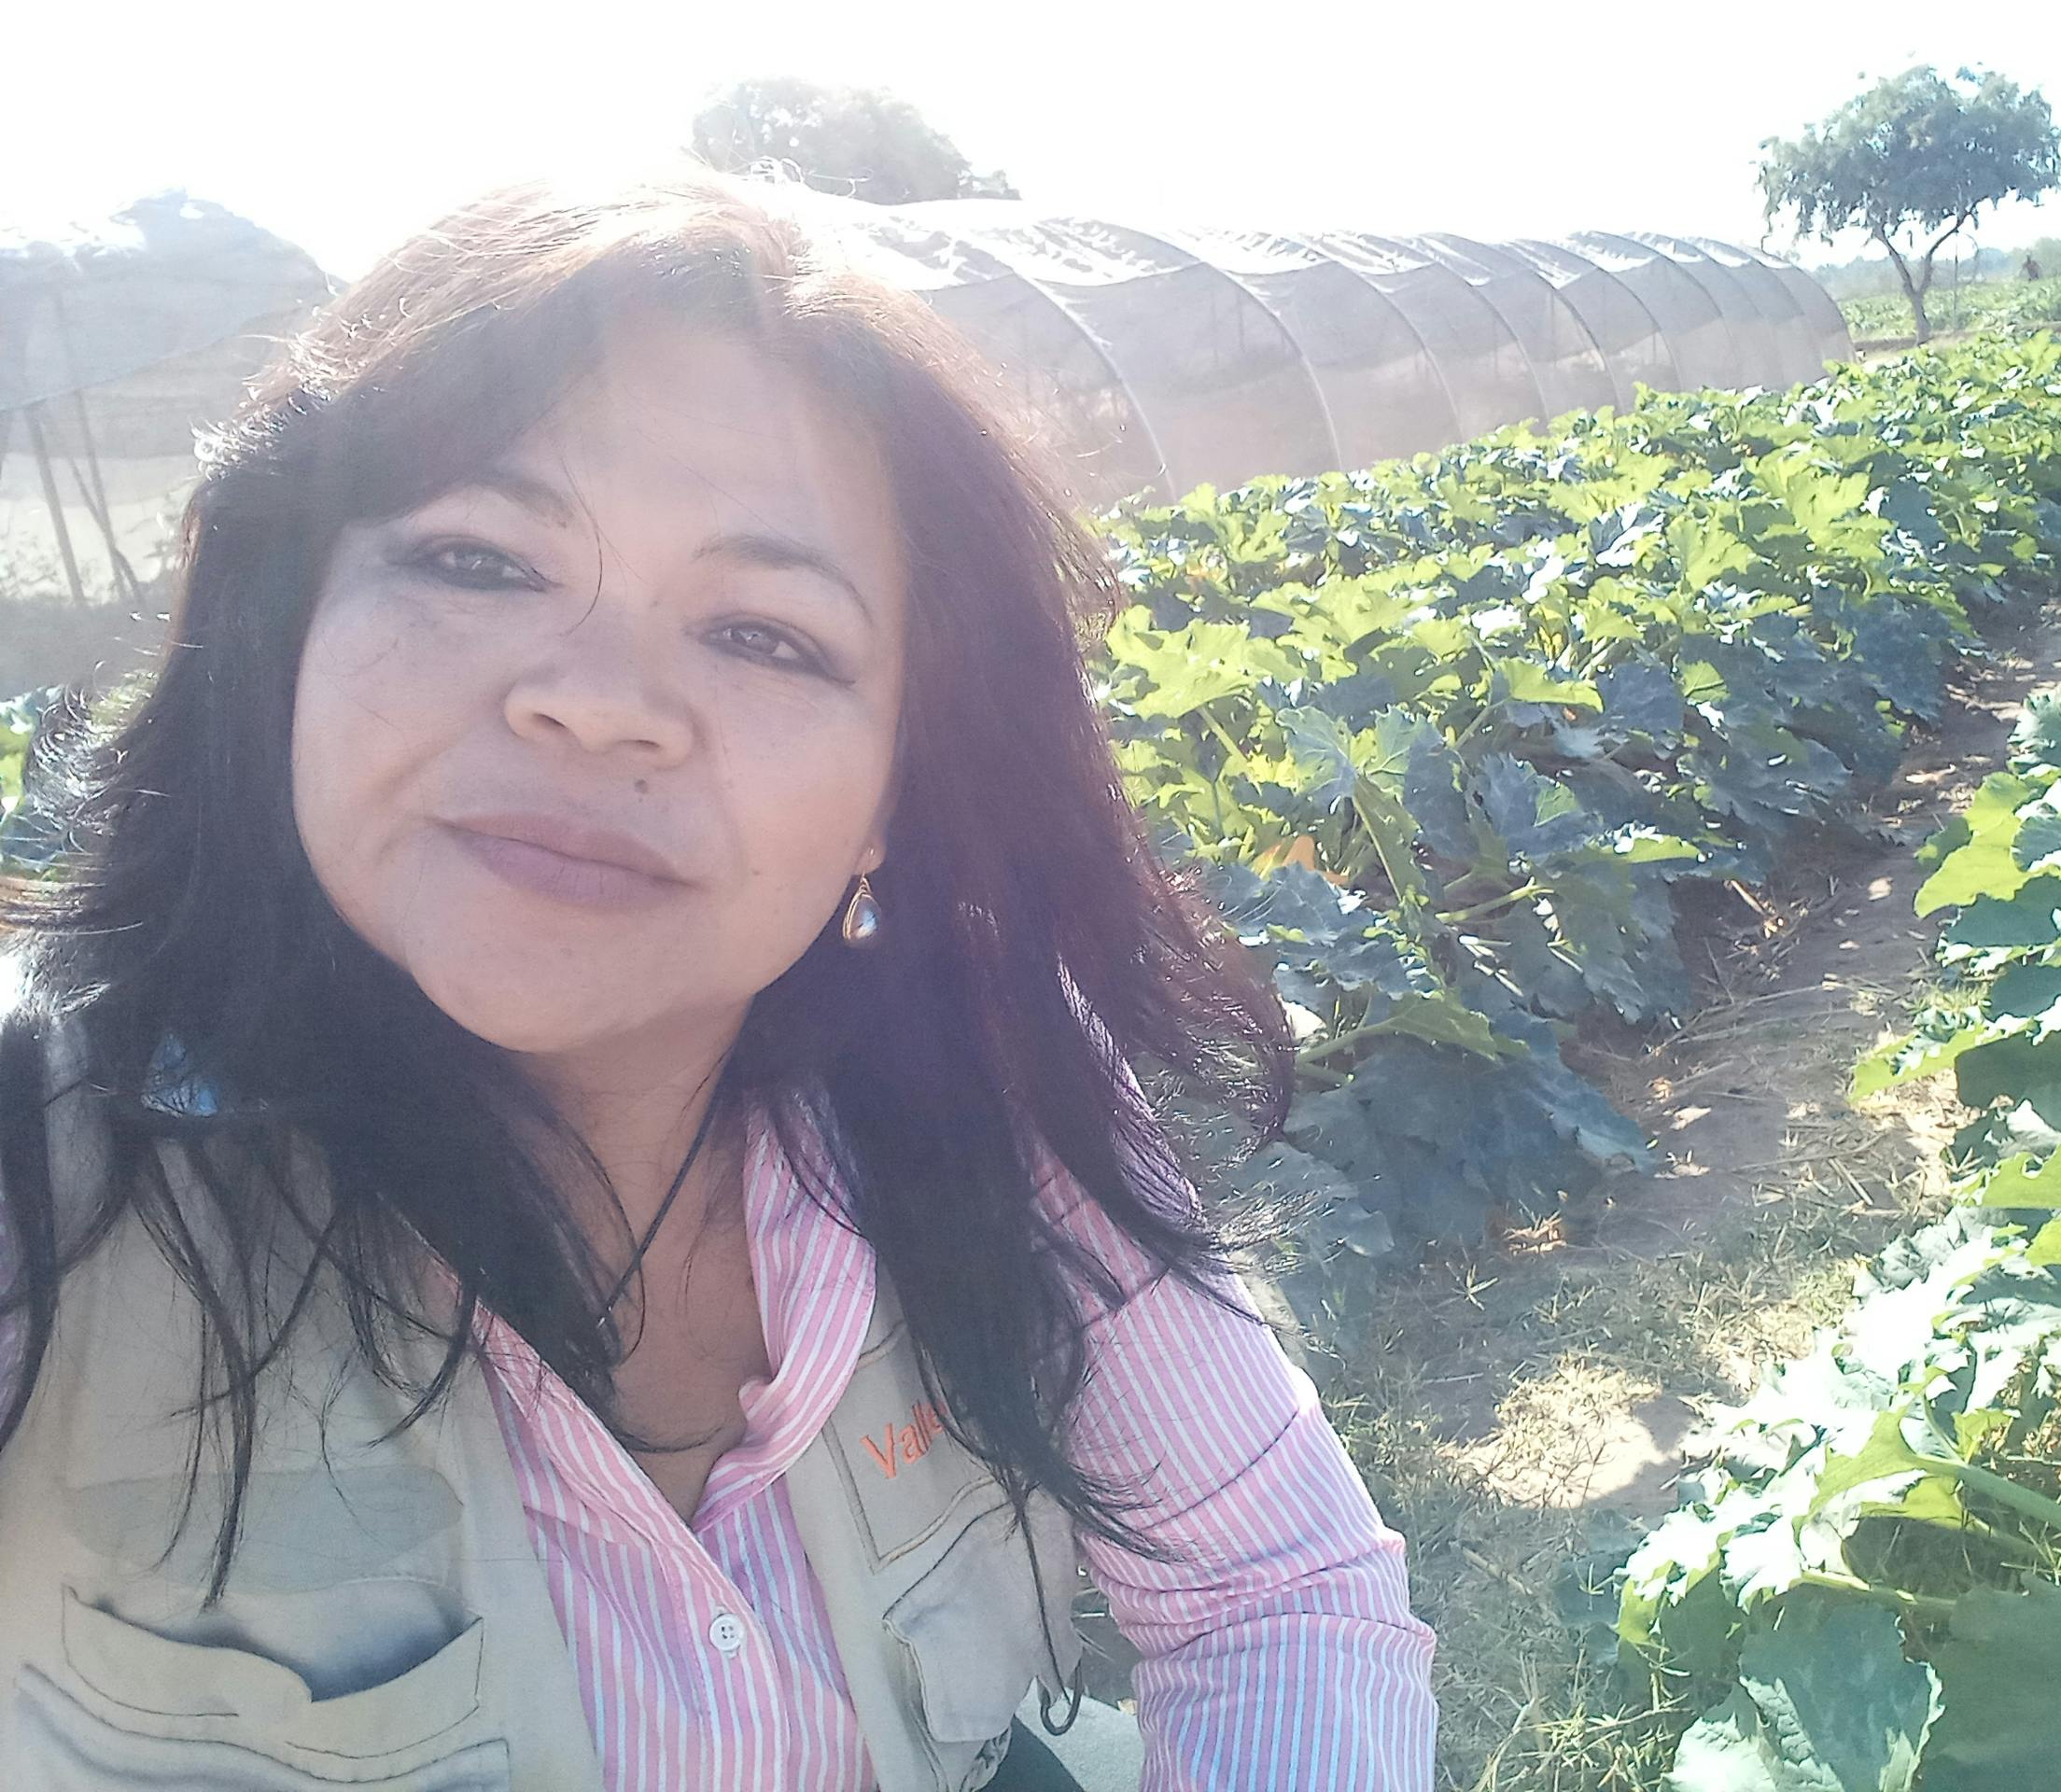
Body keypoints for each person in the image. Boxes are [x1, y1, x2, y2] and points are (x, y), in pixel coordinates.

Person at [0, 171, 1437, 1791]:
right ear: (287, 629)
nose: (602, 704)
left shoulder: (982, 1080)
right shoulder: (48, 1174)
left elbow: (1274, 1587)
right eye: (478, 559)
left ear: (896, 790)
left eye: (764, 635)